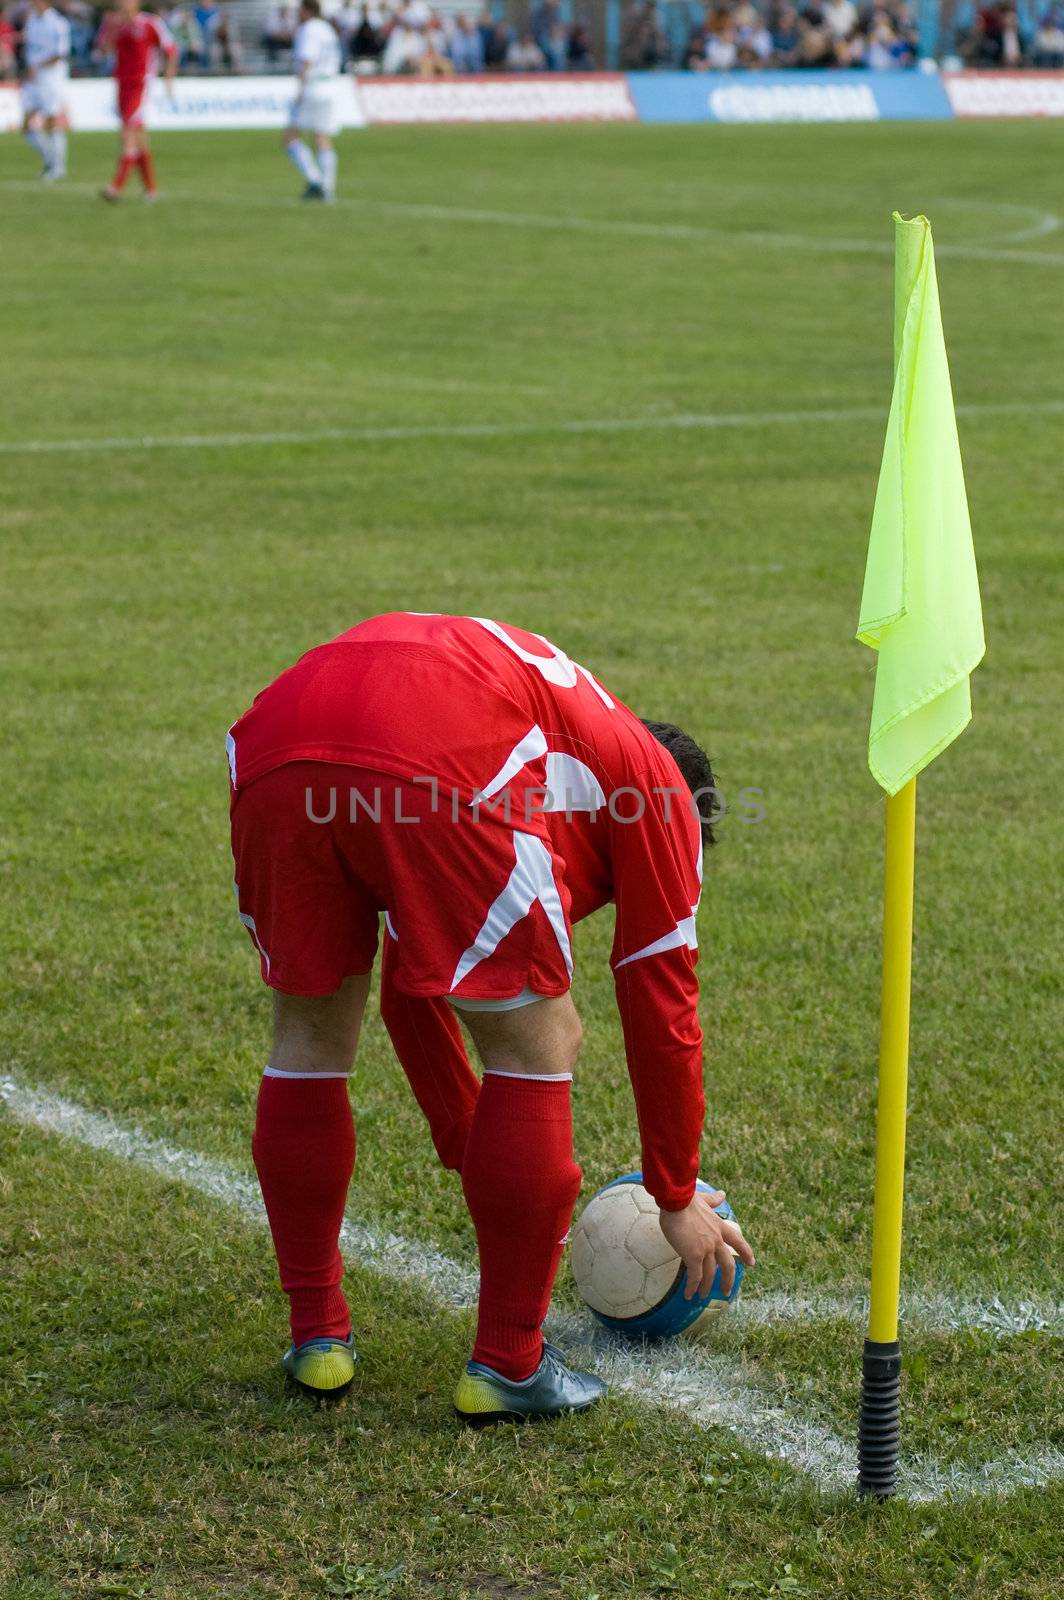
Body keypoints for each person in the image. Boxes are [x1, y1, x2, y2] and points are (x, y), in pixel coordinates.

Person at [227, 612, 755, 1422]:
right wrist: (675, 1192)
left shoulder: (567, 737)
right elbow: (663, 1000)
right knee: (542, 1038)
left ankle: (317, 1338)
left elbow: (415, 980)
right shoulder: (658, 793)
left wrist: (472, 1139)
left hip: (279, 741)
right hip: (440, 748)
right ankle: (510, 1363)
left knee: (307, 1037)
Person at [98, 0, 178, 204]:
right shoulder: (118, 24)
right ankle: (151, 190)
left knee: (128, 135)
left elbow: (170, 49)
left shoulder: (150, 23)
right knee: (139, 137)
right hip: (122, 85)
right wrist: (111, 28)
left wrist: (169, 77)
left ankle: (115, 188)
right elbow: (106, 50)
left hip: (140, 85)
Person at [283, 0, 341, 203]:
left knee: (290, 136)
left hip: (314, 86)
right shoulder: (327, 29)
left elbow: (307, 58)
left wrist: (300, 89)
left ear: (308, 11)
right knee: (322, 137)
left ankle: (316, 181)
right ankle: (327, 188)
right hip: (330, 85)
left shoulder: (309, 29)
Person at [20, 0, 70, 183]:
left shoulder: (58, 23)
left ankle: (58, 168)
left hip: (51, 79)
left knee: (51, 122)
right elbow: (30, 49)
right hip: (33, 79)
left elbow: (61, 53)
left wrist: (39, 65)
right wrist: (29, 68)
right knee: (26, 126)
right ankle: (51, 161)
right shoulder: (32, 20)